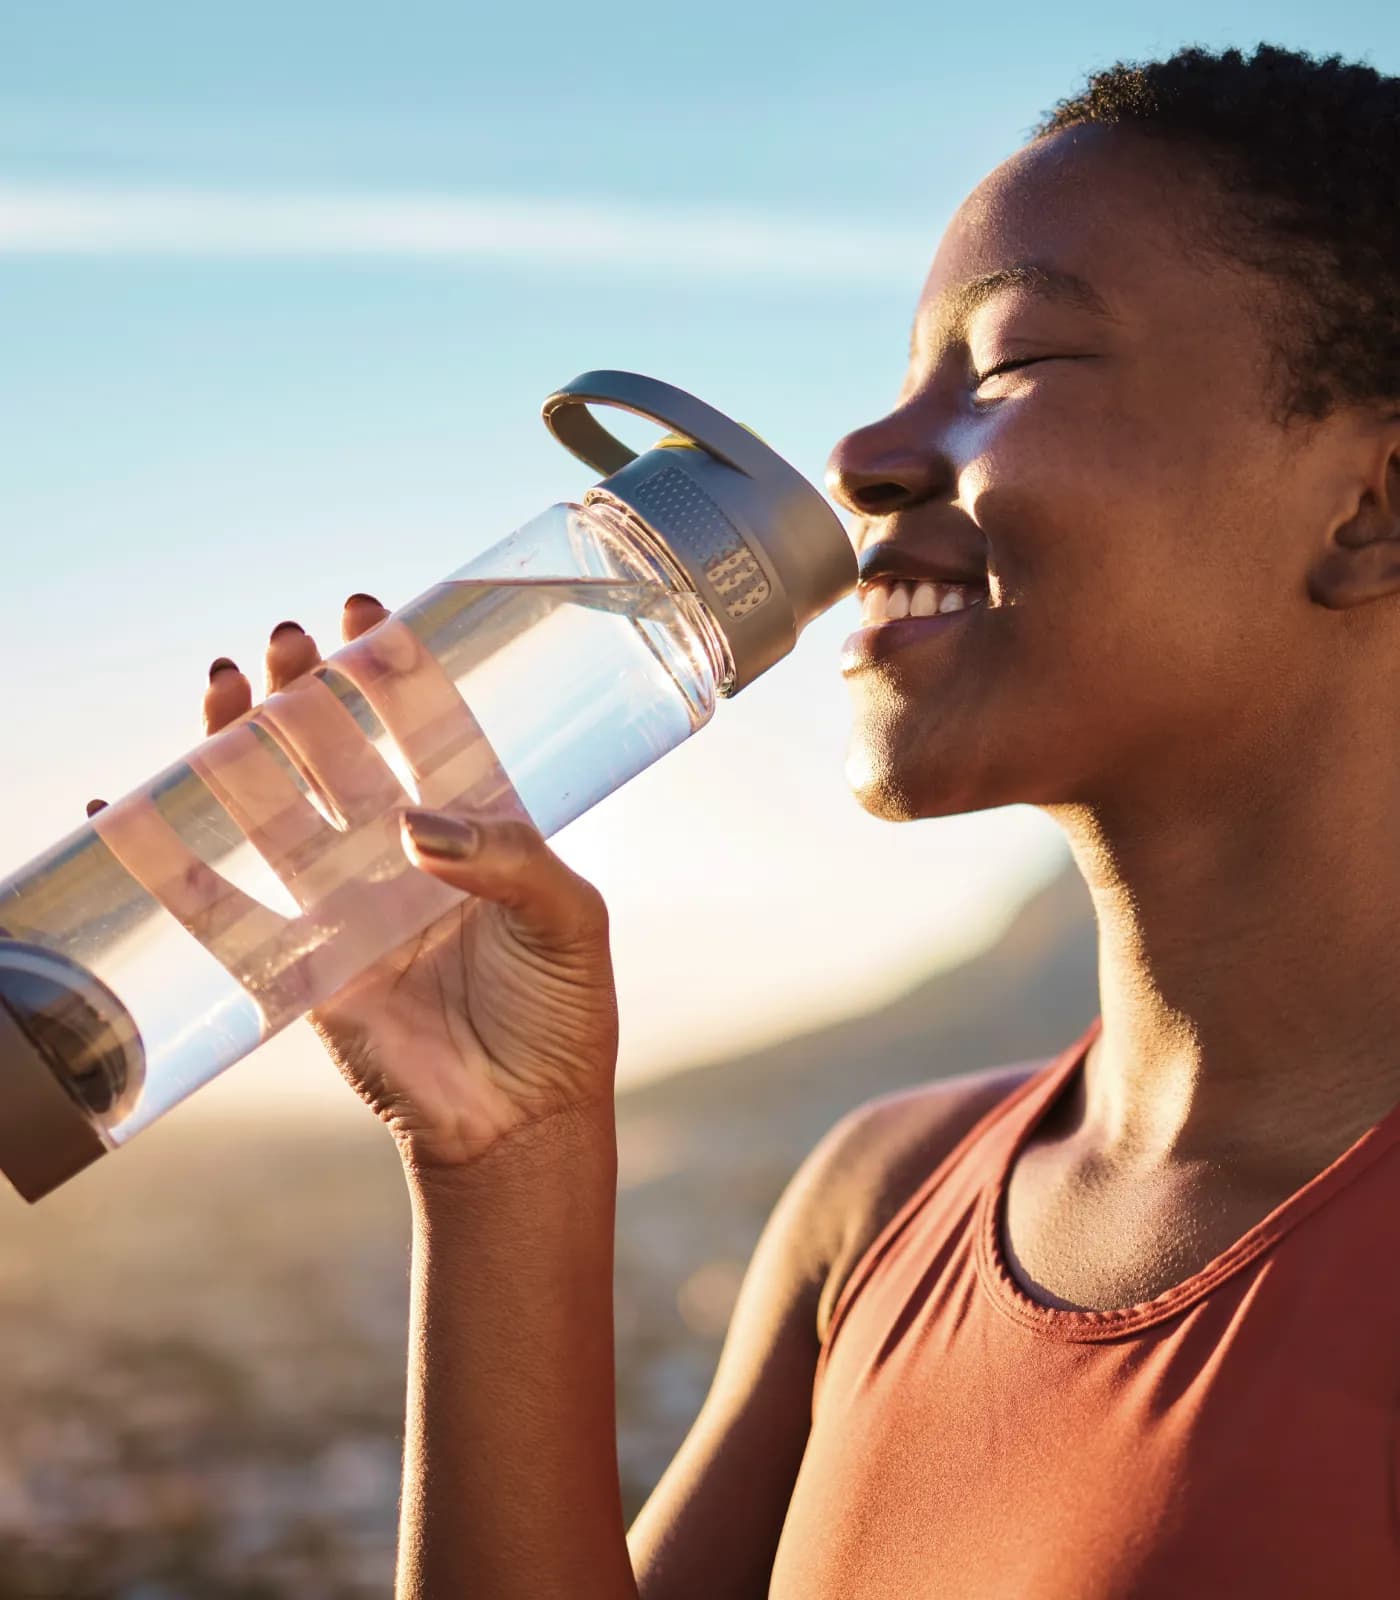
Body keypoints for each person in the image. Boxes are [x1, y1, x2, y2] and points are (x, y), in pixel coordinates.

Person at [189, 42, 1400, 1599]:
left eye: (1015, 360)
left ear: (1372, 504)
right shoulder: (882, 1199)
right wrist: (500, 1153)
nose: (866, 456)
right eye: (906, 380)